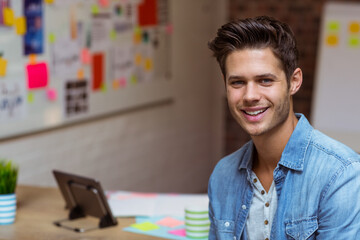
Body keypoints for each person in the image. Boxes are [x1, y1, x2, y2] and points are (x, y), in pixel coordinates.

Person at [207, 16, 360, 240]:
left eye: (265, 80)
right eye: (237, 82)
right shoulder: (223, 175)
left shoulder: (340, 174)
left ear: (294, 81)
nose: (250, 96)